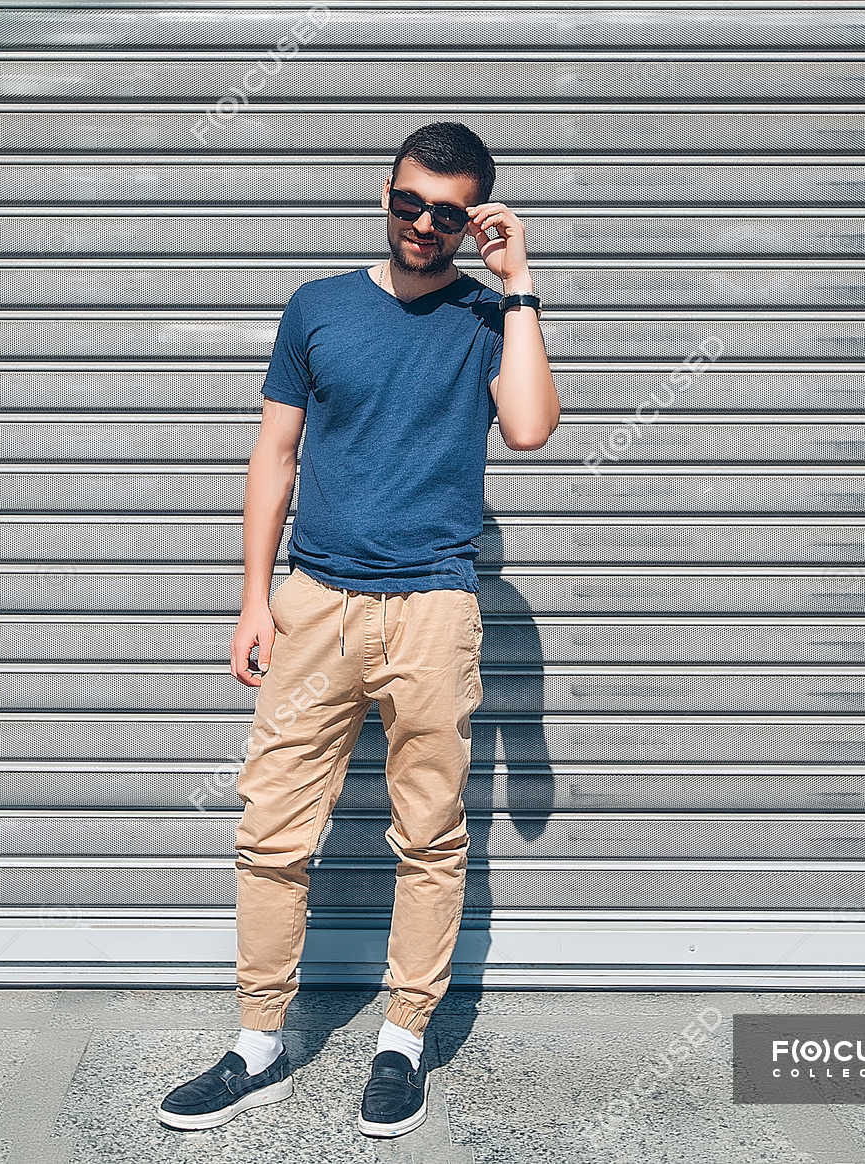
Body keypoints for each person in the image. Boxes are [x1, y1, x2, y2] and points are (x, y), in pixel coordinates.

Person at [158, 121, 560, 1138]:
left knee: (428, 835)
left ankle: (402, 1041)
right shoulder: (319, 307)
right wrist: (256, 599)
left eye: (448, 211)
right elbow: (273, 457)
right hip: (317, 601)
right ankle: (259, 1043)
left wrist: (517, 281)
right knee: (269, 832)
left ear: (475, 216)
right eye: (407, 203)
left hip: (432, 605)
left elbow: (529, 426)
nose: (423, 224)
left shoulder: (484, 314)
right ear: (384, 196)